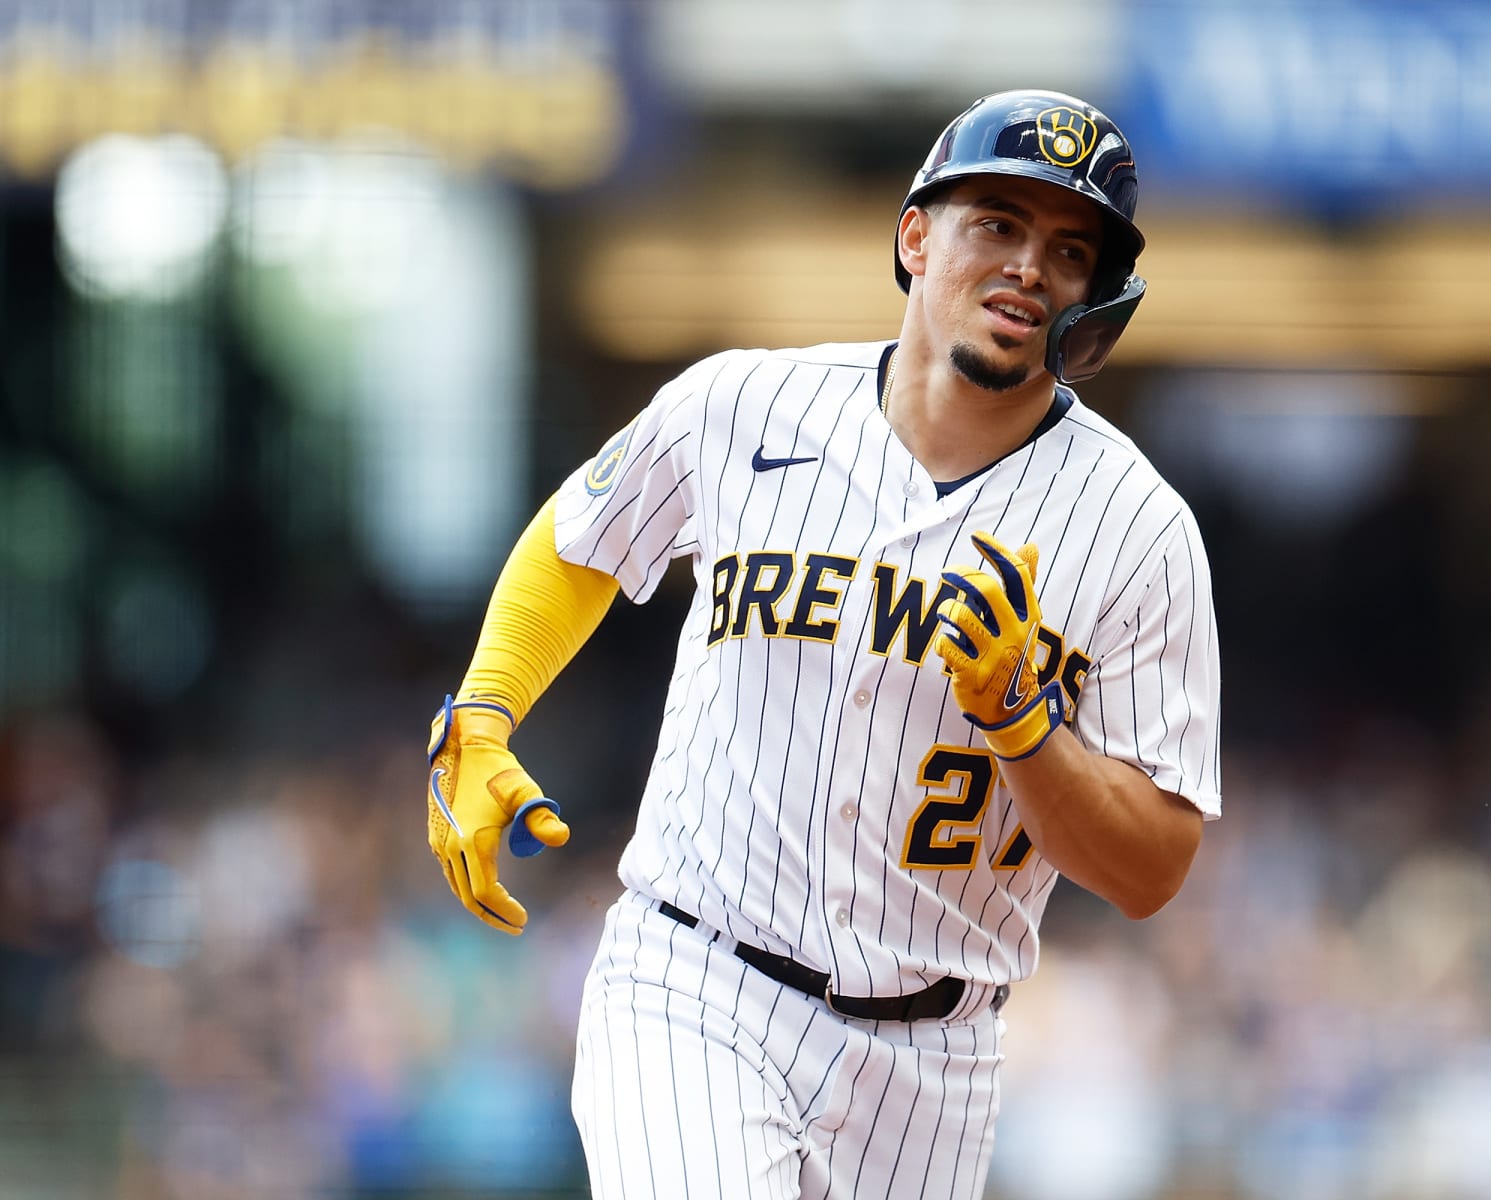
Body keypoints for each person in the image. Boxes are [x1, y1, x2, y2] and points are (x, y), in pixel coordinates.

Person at [425, 88, 1222, 1199]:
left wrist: (1022, 725)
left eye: (1070, 249)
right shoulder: (743, 404)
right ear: (915, 236)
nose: (1031, 266)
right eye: (997, 223)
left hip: (933, 1061)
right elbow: (580, 539)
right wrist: (482, 710)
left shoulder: (1138, 529)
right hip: (694, 980)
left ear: (1099, 298)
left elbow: (1153, 868)